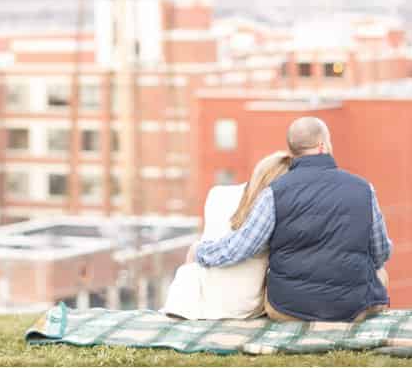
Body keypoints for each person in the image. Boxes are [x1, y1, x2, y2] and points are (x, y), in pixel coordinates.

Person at [193, 116, 392, 323]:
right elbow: (381, 253)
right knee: (381, 273)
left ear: (292, 150)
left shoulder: (273, 193)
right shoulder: (364, 189)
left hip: (288, 309)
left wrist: (201, 251)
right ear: (323, 145)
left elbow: (241, 247)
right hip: (353, 309)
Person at [163, 151, 291, 319]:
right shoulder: (276, 208)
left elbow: (228, 247)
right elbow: (238, 249)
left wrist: (198, 251)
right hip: (244, 305)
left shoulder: (218, 194)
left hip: (199, 297)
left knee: (195, 250)